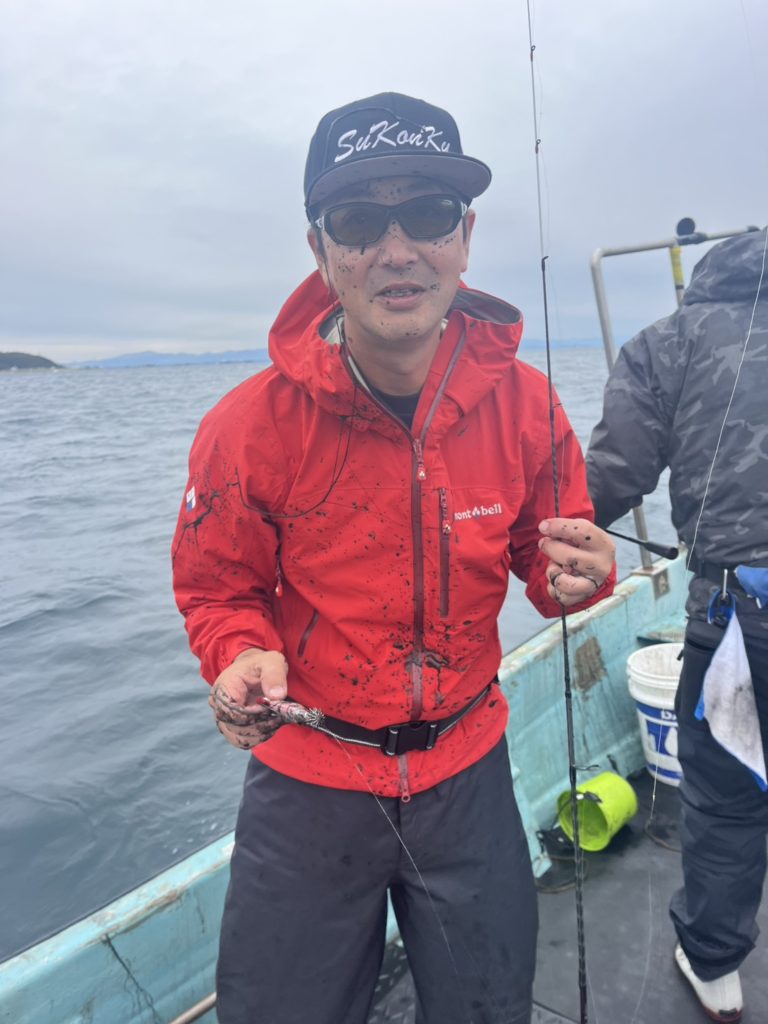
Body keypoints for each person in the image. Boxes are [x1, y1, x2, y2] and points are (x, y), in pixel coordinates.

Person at [172, 91, 616, 1024]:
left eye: (428, 212)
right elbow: (219, 588)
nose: (397, 247)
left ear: (466, 236)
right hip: (308, 781)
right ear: (320, 249)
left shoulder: (529, 406)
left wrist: (577, 575)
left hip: (469, 773)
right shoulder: (244, 428)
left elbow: (548, 560)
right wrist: (238, 653)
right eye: (359, 221)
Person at [586, 227, 768, 1024]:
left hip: (737, 624)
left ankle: (715, 969)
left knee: (727, 799)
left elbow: (609, 479)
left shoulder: (665, 342)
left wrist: (527, 528)